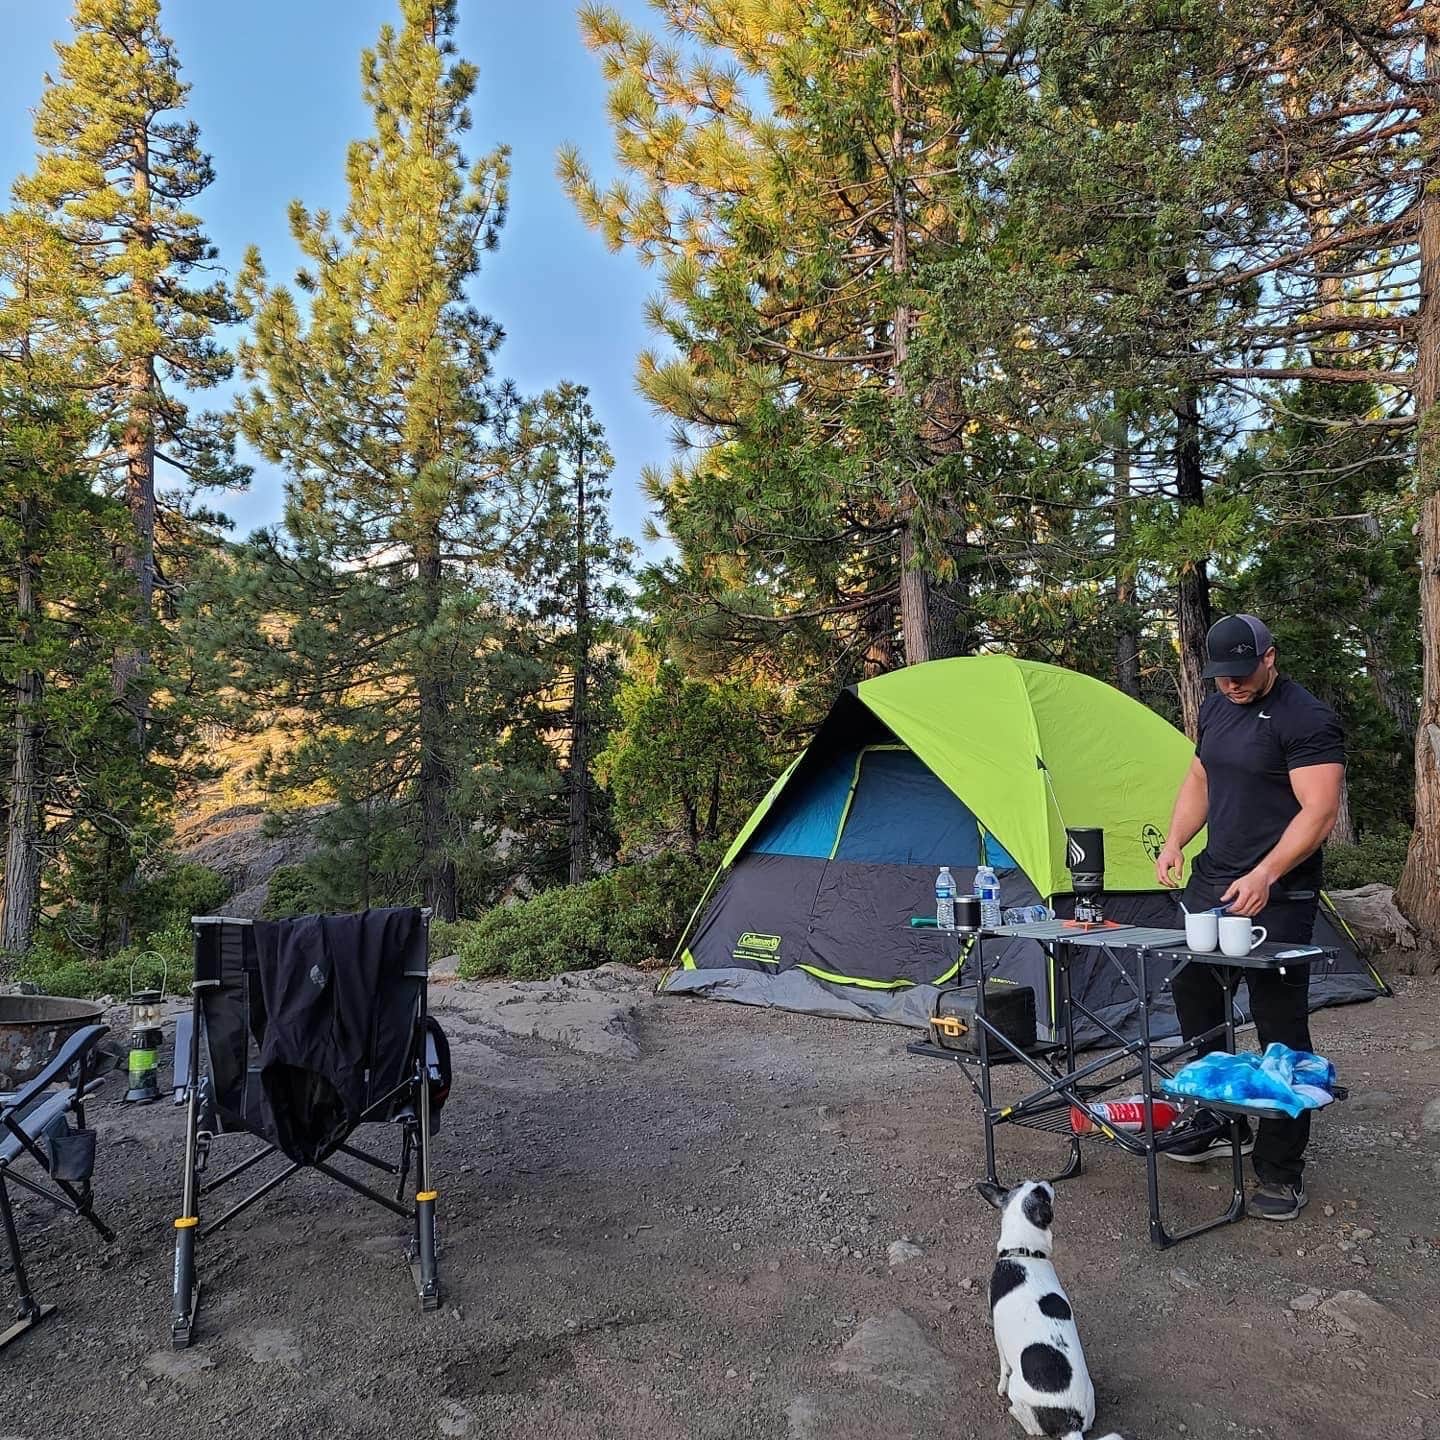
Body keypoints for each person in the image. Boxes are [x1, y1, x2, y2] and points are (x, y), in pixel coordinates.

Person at [1154, 613, 1344, 1221]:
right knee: (1194, 991)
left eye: (1242, 673)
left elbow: (1319, 810)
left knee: (1277, 1019)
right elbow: (1201, 775)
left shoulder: (1305, 717)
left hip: (1279, 893)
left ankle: (1281, 1168)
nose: (1231, 685)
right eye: (1220, 676)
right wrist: (1177, 840)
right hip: (1213, 878)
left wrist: (1267, 874)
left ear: (1269, 657)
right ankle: (1215, 1117)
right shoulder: (1215, 707)